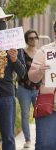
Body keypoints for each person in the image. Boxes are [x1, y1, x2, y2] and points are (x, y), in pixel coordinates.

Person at [0, 6, 26, 150]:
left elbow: (22, 72)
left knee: (8, 135)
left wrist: (14, 59)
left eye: (1, 20)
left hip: (6, 93)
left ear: (6, 21)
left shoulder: (14, 41)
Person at [28, 21, 56, 150]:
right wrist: (39, 71)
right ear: (55, 32)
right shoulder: (44, 51)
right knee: (46, 145)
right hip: (49, 106)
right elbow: (32, 77)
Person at [17, 30, 41, 148]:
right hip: (23, 88)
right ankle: (27, 140)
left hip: (38, 88)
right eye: (31, 38)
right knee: (25, 114)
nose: (34, 40)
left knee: (39, 114)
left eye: (35, 37)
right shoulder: (22, 53)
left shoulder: (41, 53)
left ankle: (40, 138)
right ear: (26, 40)